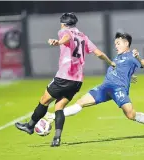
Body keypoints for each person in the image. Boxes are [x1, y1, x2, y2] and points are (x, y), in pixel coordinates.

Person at [15, 12, 116, 147]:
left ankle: (30, 126)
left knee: (44, 101)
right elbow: (99, 53)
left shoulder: (64, 32)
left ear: (64, 24)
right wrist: (111, 63)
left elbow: (67, 37)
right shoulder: (83, 37)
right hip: (77, 81)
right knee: (59, 106)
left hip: (63, 77)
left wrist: (58, 42)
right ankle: (56, 138)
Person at [45, 32, 144, 138]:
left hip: (119, 89)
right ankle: (53, 117)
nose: (116, 46)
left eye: (118, 43)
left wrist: (138, 58)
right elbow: (120, 69)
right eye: (115, 43)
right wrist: (129, 75)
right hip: (105, 87)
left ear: (126, 43)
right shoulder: (118, 57)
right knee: (81, 103)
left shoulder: (132, 56)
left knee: (130, 115)